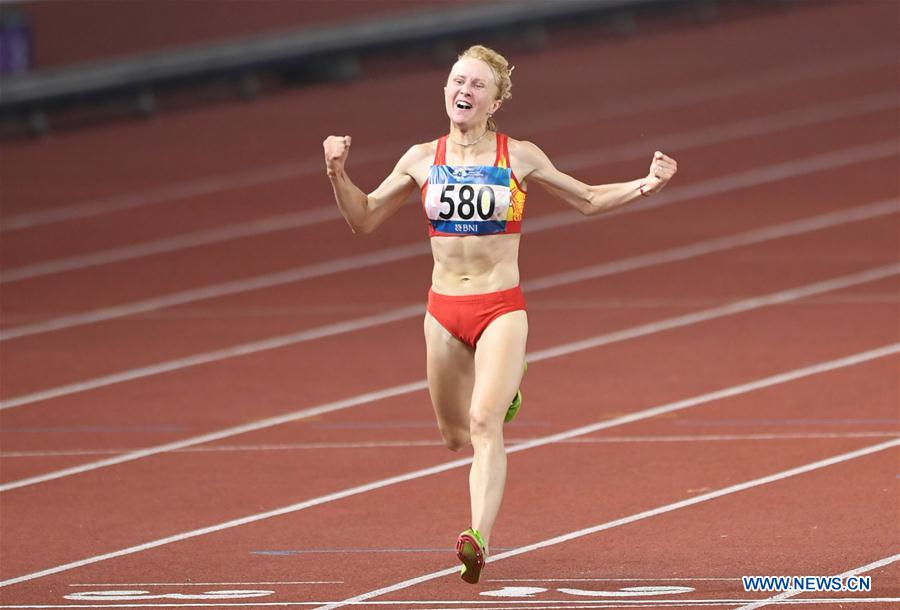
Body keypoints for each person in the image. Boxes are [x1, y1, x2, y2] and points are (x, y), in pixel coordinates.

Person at [323, 44, 677, 584]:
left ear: (495, 102)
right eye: (457, 81)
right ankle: (510, 388)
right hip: (443, 311)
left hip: (500, 308)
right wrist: (336, 172)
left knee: (484, 424)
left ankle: (477, 537)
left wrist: (645, 183)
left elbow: (584, 197)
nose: (464, 90)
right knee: (451, 435)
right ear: (445, 91)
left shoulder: (520, 155)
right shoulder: (421, 158)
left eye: (478, 85)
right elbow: (364, 219)